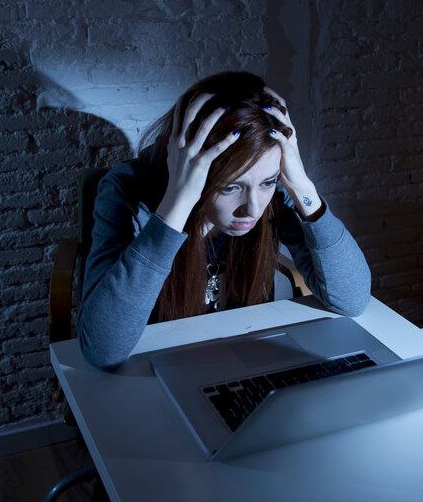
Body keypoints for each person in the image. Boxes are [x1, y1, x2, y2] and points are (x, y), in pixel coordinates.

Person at [77, 71, 372, 369]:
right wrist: (178, 202)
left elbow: (352, 299)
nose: (252, 209)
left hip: (242, 361)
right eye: (230, 187)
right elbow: (103, 349)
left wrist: (301, 186)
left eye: (267, 182)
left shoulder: (275, 193)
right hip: (153, 368)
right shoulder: (126, 190)